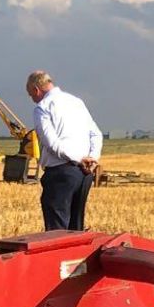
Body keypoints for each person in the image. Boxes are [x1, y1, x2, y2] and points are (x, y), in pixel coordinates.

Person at [26, 71, 102, 232]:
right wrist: (92, 159)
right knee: (76, 229)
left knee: (57, 232)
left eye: (30, 95)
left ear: (35, 89)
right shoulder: (76, 102)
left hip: (61, 173)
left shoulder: (42, 108)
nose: (32, 99)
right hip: (84, 174)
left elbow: (52, 143)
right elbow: (96, 134)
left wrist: (79, 159)